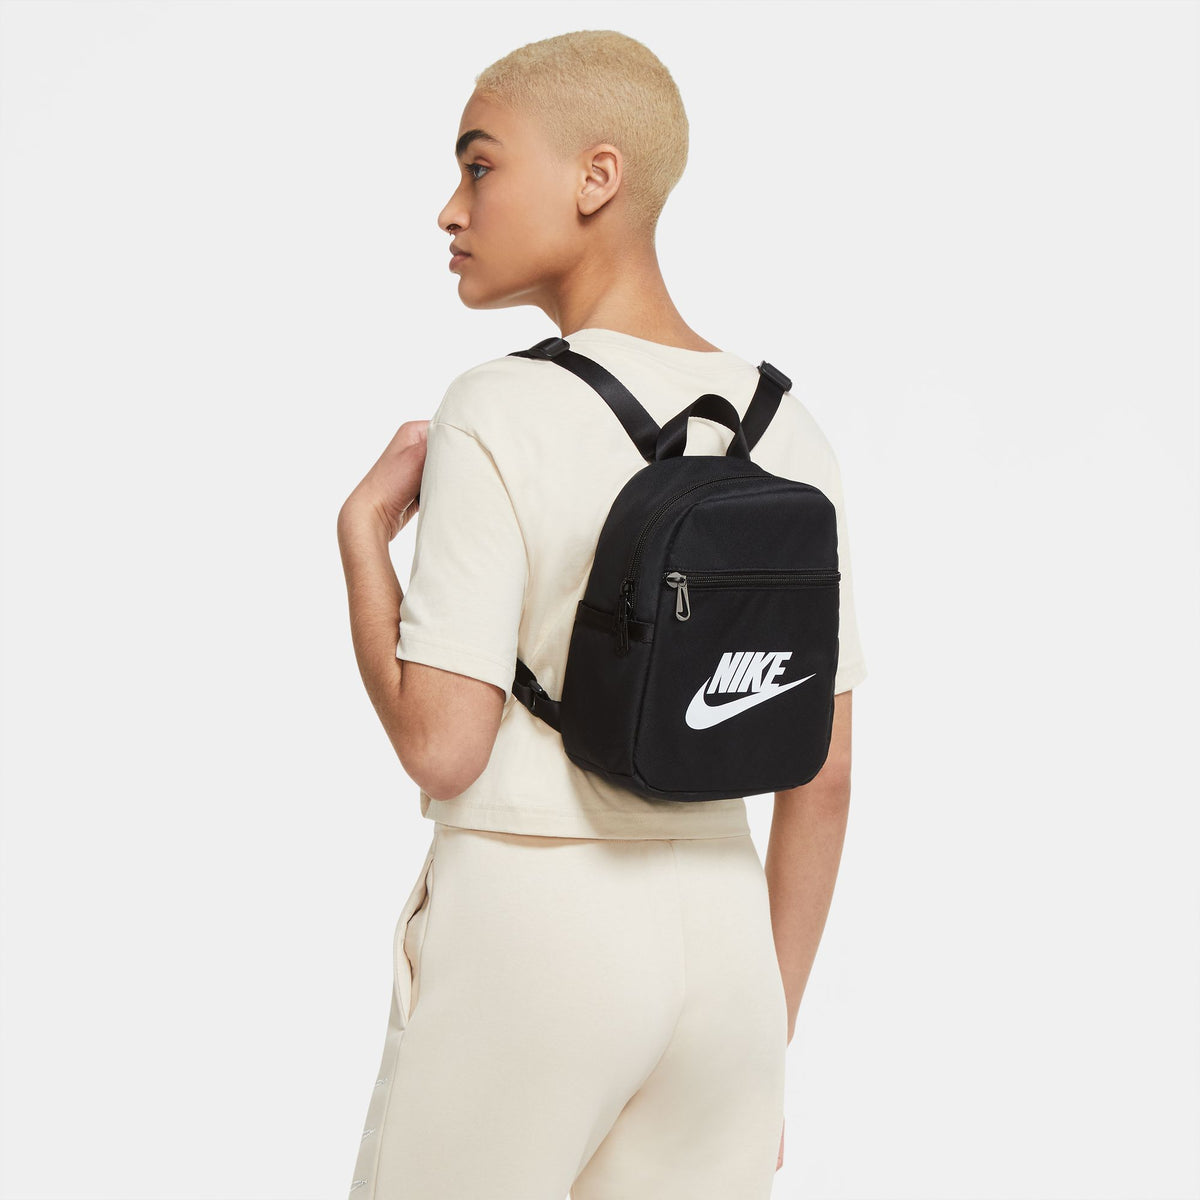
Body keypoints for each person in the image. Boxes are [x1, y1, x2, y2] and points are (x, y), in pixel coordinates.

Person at [335, 28, 868, 1200]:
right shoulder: (789, 430)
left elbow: (443, 743)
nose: (450, 208)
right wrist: (766, 1032)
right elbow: (823, 775)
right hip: (727, 944)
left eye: (479, 165)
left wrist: (363, 541)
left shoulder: (497, 406)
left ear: (596, 178)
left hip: (532, 925)